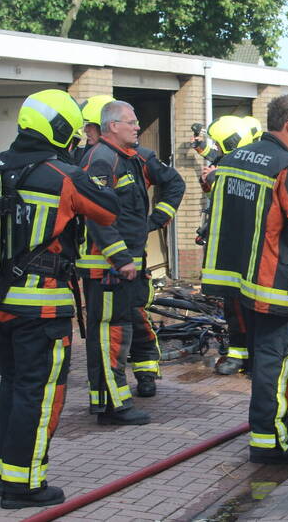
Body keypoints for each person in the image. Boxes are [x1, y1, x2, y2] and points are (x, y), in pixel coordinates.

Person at [0, 89, 121, 509]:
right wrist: (88, 159)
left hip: (1, 301)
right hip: (42, 306)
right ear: (61, 129)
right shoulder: (60, 175)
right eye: (74, 132)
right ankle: (24, 486)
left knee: (12, 388)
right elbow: (107, 209)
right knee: (40, 392)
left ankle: (10, 472)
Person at [201, 95, 288, 465]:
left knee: (264, 363)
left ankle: (267, 434)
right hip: (276, 286)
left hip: (240, 284)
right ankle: (272, 443)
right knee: (278, 363)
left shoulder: (232, 160)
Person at [79, 99, 185, 407]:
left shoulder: (136, 158)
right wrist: (121, 259)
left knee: (129, 322)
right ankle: (109, 401)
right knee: (109, 333)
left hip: (131, 265)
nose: (138, 127)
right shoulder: (100, 160)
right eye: (132, 121)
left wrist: (157, 219)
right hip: (107, 268)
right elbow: (98, 215)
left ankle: (132, 383)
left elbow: (174, 184)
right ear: (113, 126)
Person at [195, 115, 264, 375]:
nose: (218, 150)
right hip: (229, 250)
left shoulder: (249, 167)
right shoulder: (228, 161)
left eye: (220, 145)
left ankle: (254, 358)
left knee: (249, 306)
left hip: (246, 249)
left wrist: (215, 179)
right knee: (232, 305)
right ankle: (238, 355)